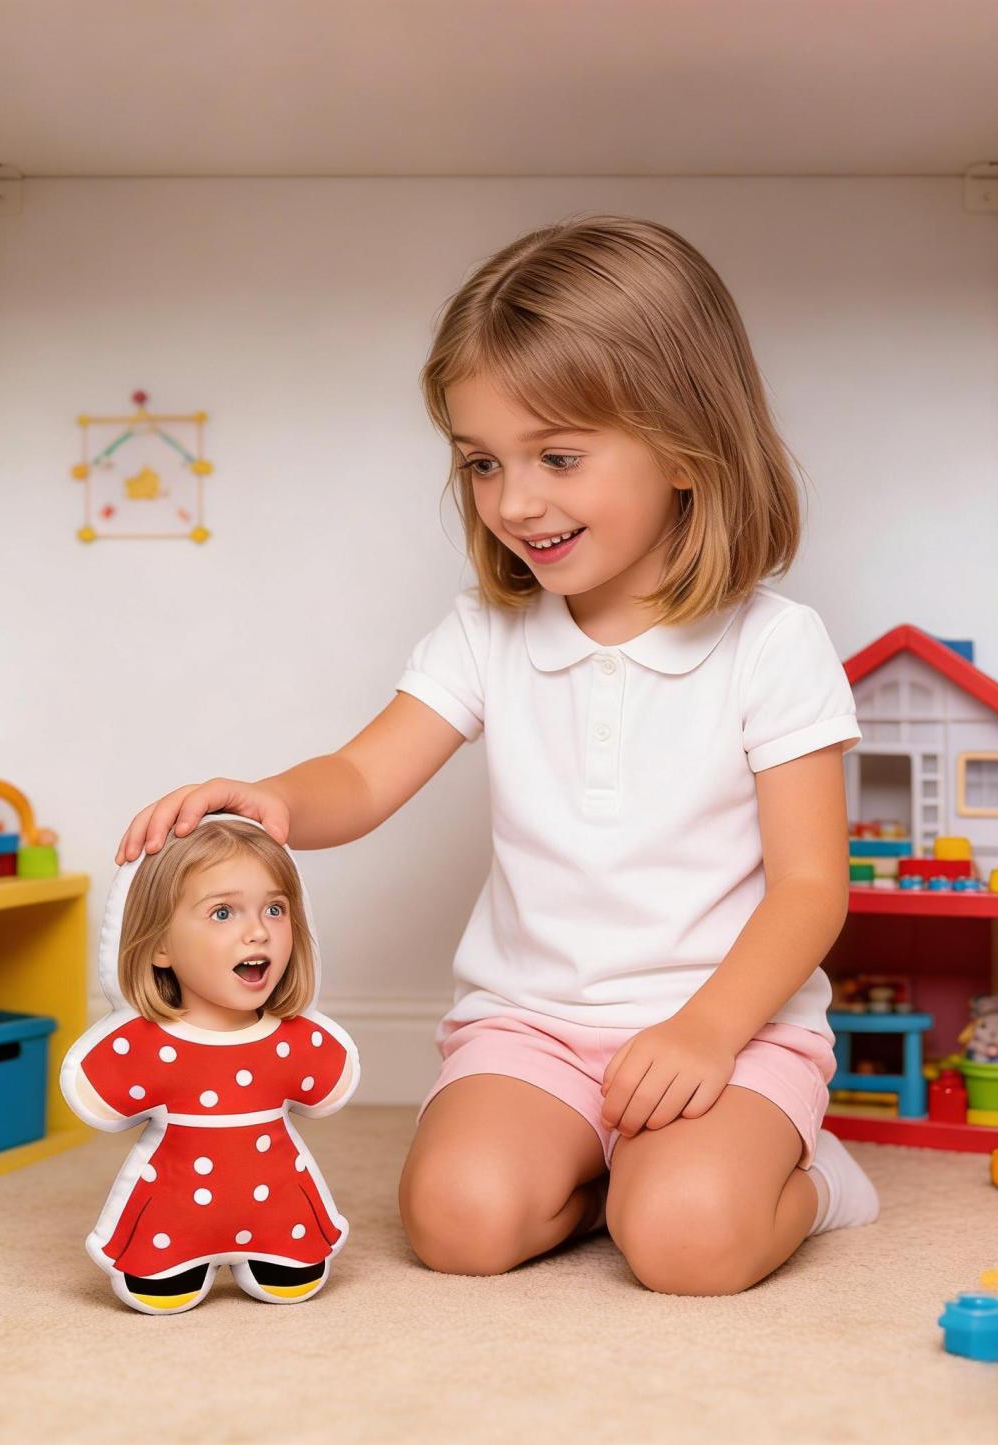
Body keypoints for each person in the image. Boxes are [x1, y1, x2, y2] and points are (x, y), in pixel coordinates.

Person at [117, 214, 878, 1296]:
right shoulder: (488, 631)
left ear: (683, 445)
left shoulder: (772, 643)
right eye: (481, 462)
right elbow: (363, 776)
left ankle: (809, 1176)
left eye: (556, 456)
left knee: (688, 1243)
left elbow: (809, 887)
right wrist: (270, 795)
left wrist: (707, 1030)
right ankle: (608, 1176)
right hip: (532, 1028)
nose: (514, 501)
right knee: (456, 1223)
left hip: (729, 1026)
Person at [63, 815, 357, 1313]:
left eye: (275, 909)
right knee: (162, 1270)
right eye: (223, 912)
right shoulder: (147, 1043)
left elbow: (326, 1083)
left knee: (290, 1256)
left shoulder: (292, 1038)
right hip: (174, 1213)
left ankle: (279, 1251)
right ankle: (172, 1260)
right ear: (160, 945)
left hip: (279, 1207)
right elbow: (101, 1094)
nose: (258, 932)